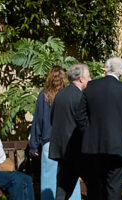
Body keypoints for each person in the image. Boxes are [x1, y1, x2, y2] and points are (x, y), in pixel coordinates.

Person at [82, 56, 122, 200]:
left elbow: (82, 115)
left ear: (106, 69)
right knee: (114, 188)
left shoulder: (91, 86)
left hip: (93, 146)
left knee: (95, 188)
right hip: (117, 146)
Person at [31, 66, 82, 200]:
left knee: (49, 180)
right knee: (70, 179)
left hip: (49, 141)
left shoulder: (44, 95)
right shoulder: (68, 95)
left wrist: (34, 145)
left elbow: (38, 121)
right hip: (67, 142)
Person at [50, 63, 90, 200]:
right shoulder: (81, 97)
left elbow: (52, 119)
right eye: (88, 76)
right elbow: (83, 122)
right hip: (78, 149)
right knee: (94, 184)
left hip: (62, 149)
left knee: (62, 188)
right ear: (81, 79)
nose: (90, 80)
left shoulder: (60, 94)